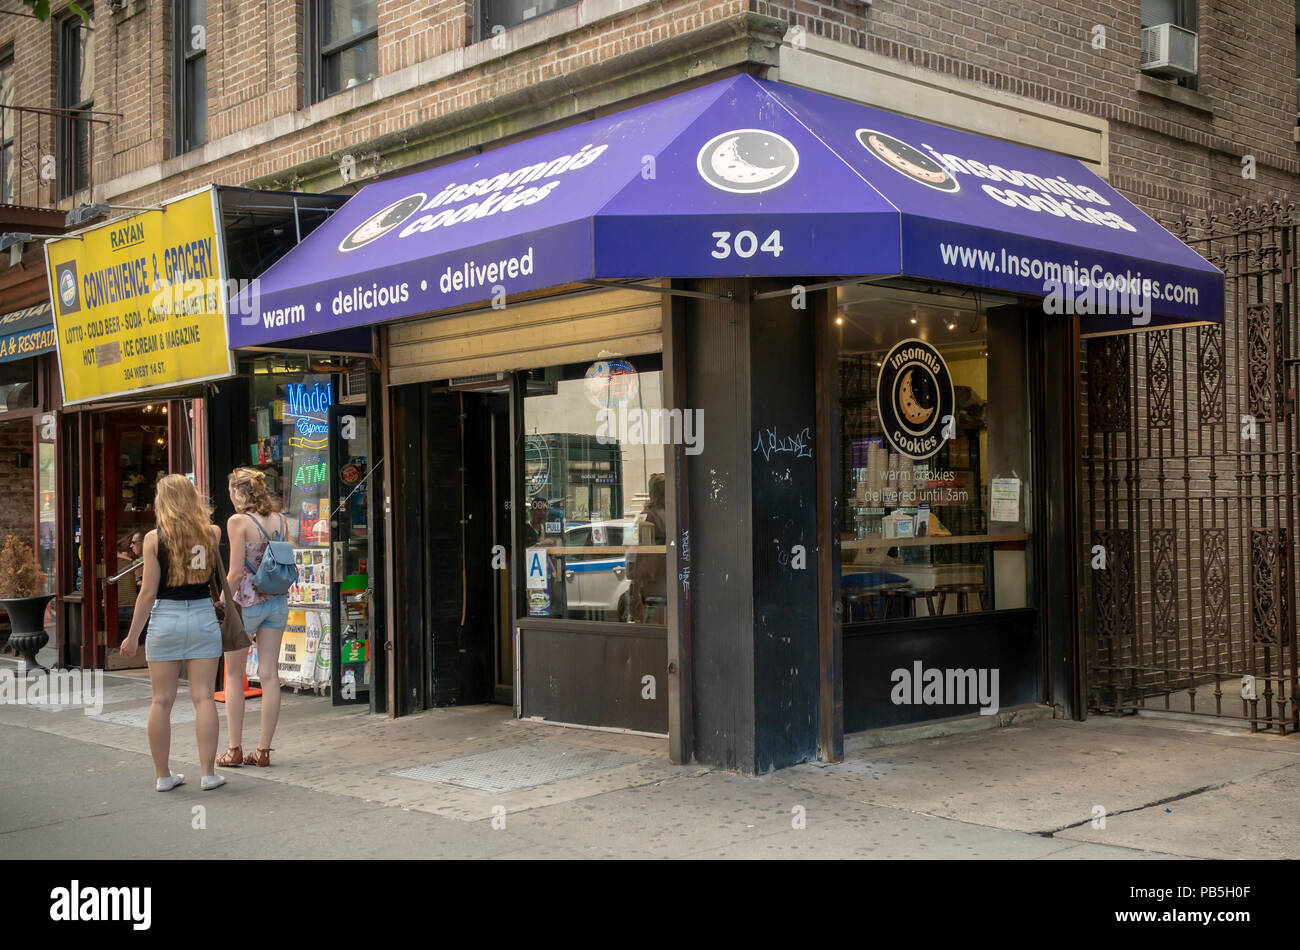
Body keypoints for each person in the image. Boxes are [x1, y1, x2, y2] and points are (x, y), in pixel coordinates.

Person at [119, 476, 226, 792]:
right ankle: (208, 773)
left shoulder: (153, 539)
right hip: (203, 615)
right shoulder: (212, 533)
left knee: (161, 701)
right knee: (203, 697)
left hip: (166, 618)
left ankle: (163, 776)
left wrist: (131, 636)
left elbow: (148, 592)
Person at [217, 467, 290, 769]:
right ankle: (263, 751)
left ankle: (234, 749)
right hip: (277, 601)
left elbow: (234, 573)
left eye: (231, 491)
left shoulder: (238, 521)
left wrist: (220, 605)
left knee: (234, 675)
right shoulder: (281, 520)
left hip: (246, 603)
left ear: (237, 492)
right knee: (270, 674)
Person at [628, 473, 667, 623]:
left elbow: (634, 550)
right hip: (655, 577)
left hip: (653, 578)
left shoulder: (648, 515)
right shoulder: (650, 516)